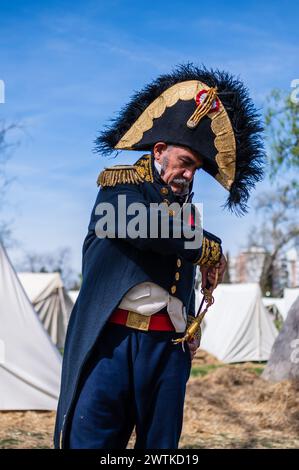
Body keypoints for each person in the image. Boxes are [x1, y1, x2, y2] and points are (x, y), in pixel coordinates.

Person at [54, 64, 265, 449]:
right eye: (185, 162)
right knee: (93, 443)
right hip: (113, 343)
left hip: (166, 350)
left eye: (196, 169)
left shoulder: (188, 215)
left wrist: (190, 316)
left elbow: (177, 253)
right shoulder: (117, 189)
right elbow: (147, 228)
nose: (189, 174)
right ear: (159, 151)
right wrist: (209, 248)